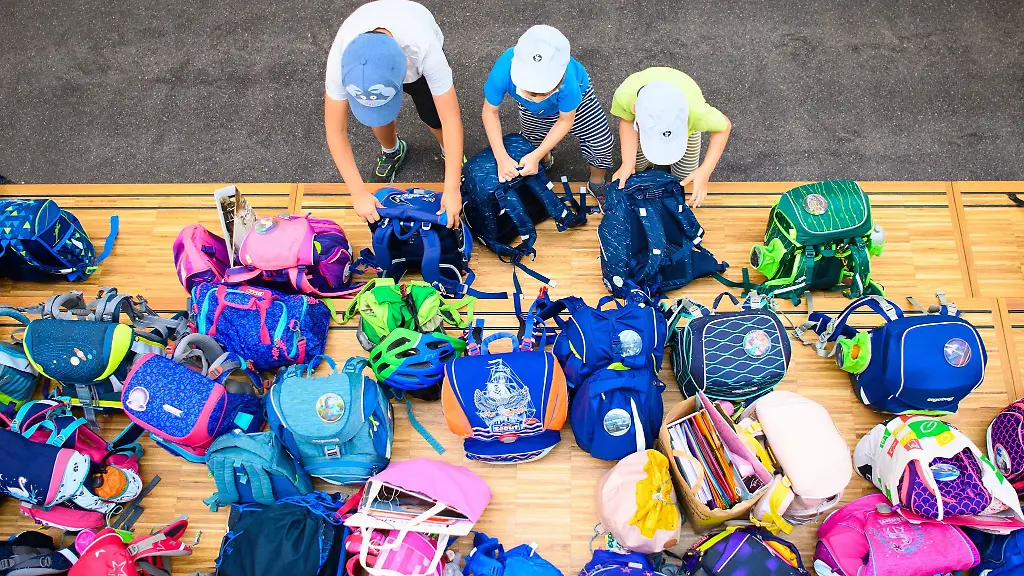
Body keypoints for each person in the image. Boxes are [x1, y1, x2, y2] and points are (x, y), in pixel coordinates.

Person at [323, 0, 463, 227]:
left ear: (405, 66)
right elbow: (335, 129)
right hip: (376, 43)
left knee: (433, 116)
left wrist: (452, 187)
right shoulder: (341, 60)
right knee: (380, 117)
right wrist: (358, 193)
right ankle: (392, 151)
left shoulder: (424, 49)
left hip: (416, 42)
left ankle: (449, 152)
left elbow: (451, 119)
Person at [481, 25, 614, 194]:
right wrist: (501, 157)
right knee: (533, 139)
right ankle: (544, 159)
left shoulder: (569, 83)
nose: (536, 99)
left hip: (578, 103)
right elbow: (489, 112)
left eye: (542, 93)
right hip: (533, 112)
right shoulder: (503, 70)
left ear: (559, 80)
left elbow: (566, 120)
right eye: (529, 93)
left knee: (600, 142)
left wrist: (535, 155)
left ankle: (597, 183)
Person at [609, 67, 732, 207]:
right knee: (637, 166)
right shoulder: (626, 95)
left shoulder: (697, 113)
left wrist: (705, 171)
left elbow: (724, 127)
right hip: (643, 120)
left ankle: (666, 174)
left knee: (685, 173)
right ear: (635, 108)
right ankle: (648, 167)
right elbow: (628, 120)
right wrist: (627, 163)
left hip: (688, 123)